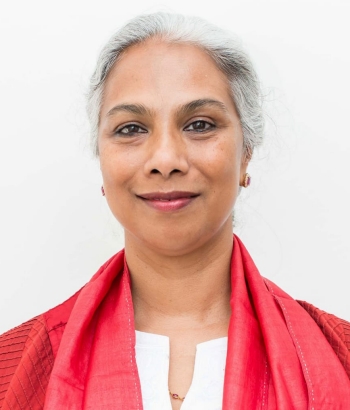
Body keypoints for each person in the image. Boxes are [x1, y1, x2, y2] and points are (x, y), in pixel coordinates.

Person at [0, 12, 349, 410]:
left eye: (200, 124)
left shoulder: (340, 357)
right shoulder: (14, 372)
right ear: (102, 160)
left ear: (246, 155)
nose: (165, 159)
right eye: (131, 128)